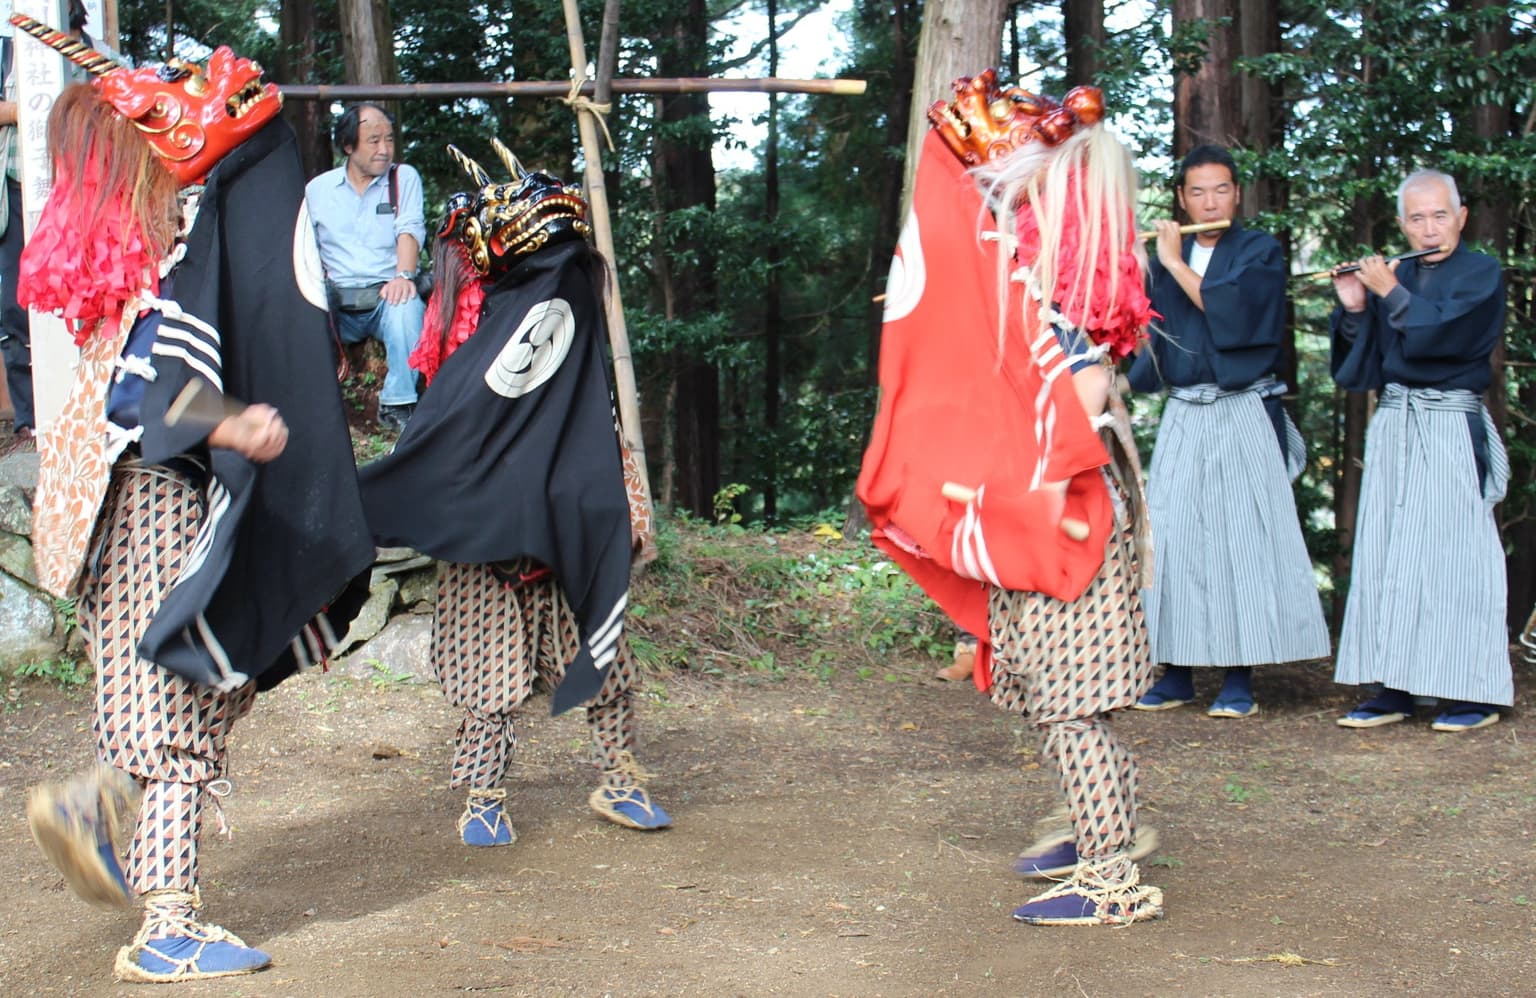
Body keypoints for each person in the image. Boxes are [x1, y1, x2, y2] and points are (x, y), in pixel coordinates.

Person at [15, 23, 373, 983]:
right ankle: (168, 924)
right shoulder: (160, 266)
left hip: (113, 511)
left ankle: (92, 810)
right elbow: (147, 391)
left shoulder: (131, 263)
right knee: (180, 706)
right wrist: (231, 424)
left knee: (194, 684)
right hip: (153, 507)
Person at [859, 72, 1163, 926]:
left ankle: (1111, 883)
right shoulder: (1043, 280)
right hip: (1037, 508)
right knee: (1052, 697)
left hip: (1063, 513)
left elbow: (1083, 400)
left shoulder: (1065, 290)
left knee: (1074, 712)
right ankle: (1106, 827)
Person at [357, 142, 671, 845]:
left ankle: (618, 776)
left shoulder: (567, 300)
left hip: (570, 503)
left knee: (602, 649)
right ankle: (484, 795)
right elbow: (449, 423)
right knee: (486, 670)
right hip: (487, 519)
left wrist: (622, 502)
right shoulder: (471, 323)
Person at [1126, 144, 1329, 718]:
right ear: (1181, 198)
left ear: (1236, 195)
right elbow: (1156, 335)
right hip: (1186, 411)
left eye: (1220, 189)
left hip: (1240, 407)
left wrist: (1171, 264)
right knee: (1173, 537)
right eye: (1197, 191)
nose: (1208, 200)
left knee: (1241, 538)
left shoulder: (1259, 251)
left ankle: (1239, 676)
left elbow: (1231, 315)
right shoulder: (1171, 252)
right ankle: (1178, 670)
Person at [1329, 169, 1511, 733]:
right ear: (1402, 224)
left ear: (1461, 215)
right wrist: (1357, 307)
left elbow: (1448, 339)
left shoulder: (1481, 272)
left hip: (1450, 423)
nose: (1429, 229)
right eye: (1416, 218)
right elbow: (1364, 366)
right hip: (1396, 423)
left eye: (1439, 215)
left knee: (1456, 556)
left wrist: (1389, 292)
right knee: (1387, 550)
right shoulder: (1396, 275)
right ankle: (1393, 686)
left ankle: (1468, 691)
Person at [0, 1, 111, 451]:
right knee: (16, 305)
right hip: (16, 185)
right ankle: (28, 418)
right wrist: (27, 108)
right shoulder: (8, 51)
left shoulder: (91, 52)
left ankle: (88, 406)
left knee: (84, 299)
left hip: (80, 190)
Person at [304, 102, 427, 432]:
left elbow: (409, 228)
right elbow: (304, 247)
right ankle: (313, 406)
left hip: (385, 293)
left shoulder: (403, 178)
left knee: (407, 308)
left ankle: (399, 404)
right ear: (348, 145)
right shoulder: (317, 191)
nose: (384, 149)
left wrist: (403, 275)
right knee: (301, 314)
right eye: (374, 141)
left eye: (389, 139)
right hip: (336, 300)